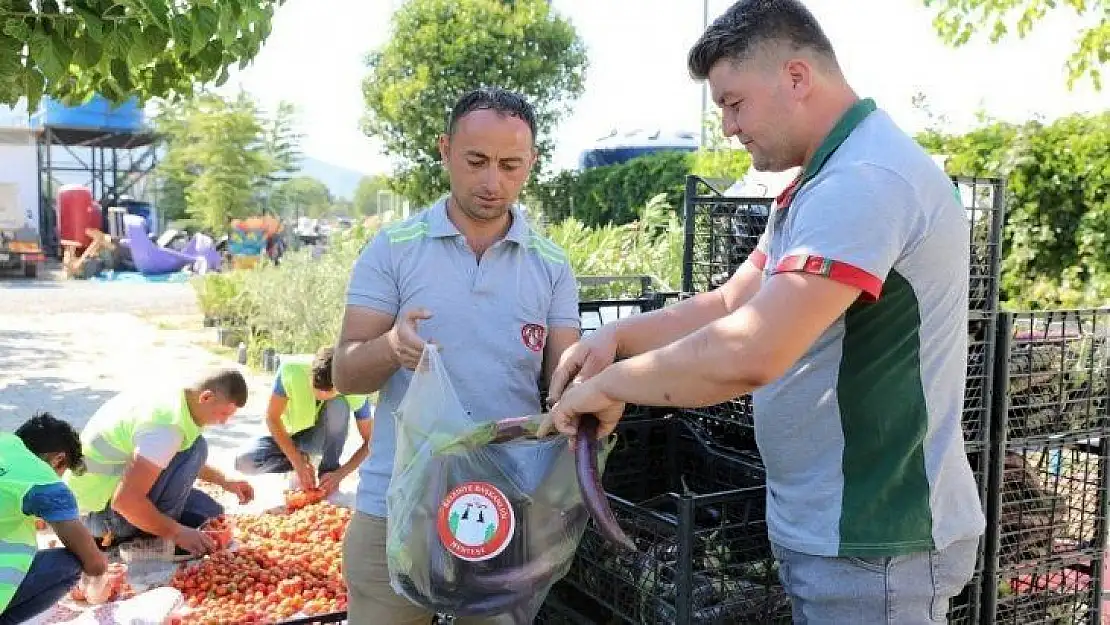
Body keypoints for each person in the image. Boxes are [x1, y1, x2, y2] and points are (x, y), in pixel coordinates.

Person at [542, 1, 985, 623]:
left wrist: (613, 386)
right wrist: (616, 337)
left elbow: (751, 351)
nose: (726, 126)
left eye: (734, 102)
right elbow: (729, 303)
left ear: (796, 77)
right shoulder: (820, 184)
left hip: (874, 536)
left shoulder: (866, 181)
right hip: (835, 527)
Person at [332, 86, 582, 625]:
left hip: (506, 507)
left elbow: (566, 372)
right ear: (445, 150)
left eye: (511, 165)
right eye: (476, 161)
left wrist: (594, 384)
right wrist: (390, 348)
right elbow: (345, 371)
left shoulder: (551, 265)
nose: (493, 182)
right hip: (396, 506)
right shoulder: (394, 248)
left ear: (532, 163)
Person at [66, 368, 256, 558]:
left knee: (209, 511)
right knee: (197, 450)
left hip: (89, 500)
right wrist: (177, 533)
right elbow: (124, 501)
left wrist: (224, 480)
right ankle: (145, 536)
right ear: (205, 397)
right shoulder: (166, 429)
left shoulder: (174, 399)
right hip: (97, 518)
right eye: (223, 413)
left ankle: (156, 524)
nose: (224, 422)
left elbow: (169, 454)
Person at [0, 413, 119, 625]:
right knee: (70, 562)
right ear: (59, 459)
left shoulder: (4, 444)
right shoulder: (43, 481)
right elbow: (94, 564)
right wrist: (96, 591)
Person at [233, 346, 373, 496]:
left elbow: (371, 441)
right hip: (286, 438)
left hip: (317, 440)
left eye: (329, 391)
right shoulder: (292, 370)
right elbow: (272, 418)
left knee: (338, 404)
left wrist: (340, 474)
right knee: (244, 462)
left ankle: (328, 474)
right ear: (311, 373)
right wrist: (297, 462)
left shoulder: (354, 387)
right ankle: (302, 464)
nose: (321, 394)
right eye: (317, 387)